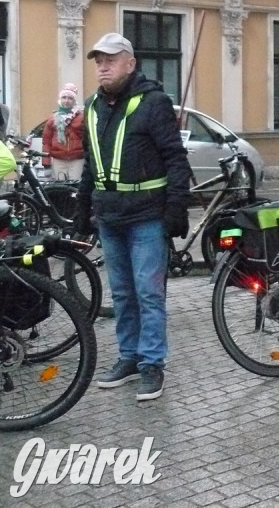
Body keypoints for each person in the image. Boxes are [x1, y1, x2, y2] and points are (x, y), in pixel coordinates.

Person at [74, 32, 191, 402]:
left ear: (130, 63)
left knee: (148, 294)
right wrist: (81, 211)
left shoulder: (153, 103)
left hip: (146, 217)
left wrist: (176, 210)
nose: (102, 66)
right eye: (98, 61)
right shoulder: (92, 107)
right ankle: (129, 357)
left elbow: (175, 159)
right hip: (110, 217)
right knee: (123, 294)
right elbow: (92, 164)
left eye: (110, 59)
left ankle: (152, 364)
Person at [42, 82, 85, 181]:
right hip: (58, 160)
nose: (67, 101)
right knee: (60, 188)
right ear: (60, 99)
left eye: (70, 98)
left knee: (75, 187)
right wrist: (46, 163)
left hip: (77, 159)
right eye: (64, 97)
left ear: (74, 101)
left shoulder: (82, 118)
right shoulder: (53, 119)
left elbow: (88, 139)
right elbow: (46, 142)